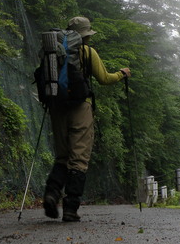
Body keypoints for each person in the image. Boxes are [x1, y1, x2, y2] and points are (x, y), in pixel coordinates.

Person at [43, 16, 131, 222]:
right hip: (80, 108)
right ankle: (71, 208)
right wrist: (122, 73)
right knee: (79, 159)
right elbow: (104, 79)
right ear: (86, 35)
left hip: (56, 107)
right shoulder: (88, 52)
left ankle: (52, 193)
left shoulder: (53, 52)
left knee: (62, 156)